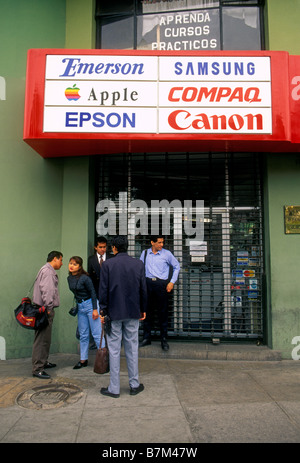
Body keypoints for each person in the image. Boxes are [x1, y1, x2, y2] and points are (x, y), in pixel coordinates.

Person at [99, 235, 147, 398]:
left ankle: (114, 388)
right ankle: (134, 384)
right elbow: (143, 289)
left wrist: (103, 311)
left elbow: (103, 290)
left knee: (113, 349)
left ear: (114, 248)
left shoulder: (107, 265)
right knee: (132, 347)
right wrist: (143, 309)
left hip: (113, 313)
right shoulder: (138, 264)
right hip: (133, 312)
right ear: (127, 247)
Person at [139, 235, 180, 351]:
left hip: (161, 285)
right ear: (152, 242)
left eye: (162, 242)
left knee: (163, 313)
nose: (161, 245)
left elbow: (177, 266)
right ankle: (146, 338)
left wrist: (171, 282)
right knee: (147, 311)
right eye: (159, 243)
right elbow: (140, 268)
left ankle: (164, 339)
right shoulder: (145, 253)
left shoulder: (166, 254)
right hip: (147, 284)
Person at [67, 256, 104, 369]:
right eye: (71, 263)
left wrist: (94, 309)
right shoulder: (69, 278)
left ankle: (104, 361)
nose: (72, 266)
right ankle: (83, 360)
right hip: (80, 306)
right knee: (83, 335)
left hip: (90, 305)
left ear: (79, 267)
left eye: (75, 264)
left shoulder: (85, 278)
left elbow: (93, 293)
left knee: (97, 334)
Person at [32, 251, 63, 379]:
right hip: (45, 309)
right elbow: (48, 291)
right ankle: (37, 369)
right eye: (61, 260)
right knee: (42, 340)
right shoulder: (49, 272)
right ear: (55, 259)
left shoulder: (44, 269)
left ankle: (43, 362)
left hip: (42, 309)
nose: (62, 263)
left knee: (45, 339)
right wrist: (49, 308)